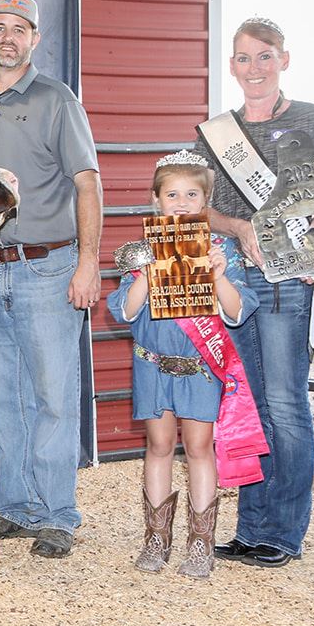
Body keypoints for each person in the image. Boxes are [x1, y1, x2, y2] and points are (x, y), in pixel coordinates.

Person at [0, 0, 102, 560]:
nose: (10, 38)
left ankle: (59, 513)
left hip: (48, 265)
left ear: (35, 39)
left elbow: (87, 182)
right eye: (0, 27)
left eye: (22, 29)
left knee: (54, 396)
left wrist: (88, 263)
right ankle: (16, 505)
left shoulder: (58, 100)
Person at [194, 17, 314, 568]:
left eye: (264, 56)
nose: (253, 68)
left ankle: (282, 532)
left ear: (284, 59)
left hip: (285, 275)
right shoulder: (216, 132)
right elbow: (199, 205)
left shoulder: (310, 117)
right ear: (231, 65)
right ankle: (251, 527)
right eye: (242, 58)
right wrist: (237, 228)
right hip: (230, 272)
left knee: (284, 401)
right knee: (248, 405)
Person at [108, 152, 256, 579]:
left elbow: (239, 310)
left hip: (200, 368)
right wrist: (146, 276)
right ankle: (156, 539)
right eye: (172, 193)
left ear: (205, 200)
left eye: (192, 194)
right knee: (156, 447)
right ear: (156, 200)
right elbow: (123, 311)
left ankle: (200, 543)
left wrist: (220, 275)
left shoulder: (220, 249)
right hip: (153, 367)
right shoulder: (140, 252)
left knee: (198, 448)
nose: (181, 202)